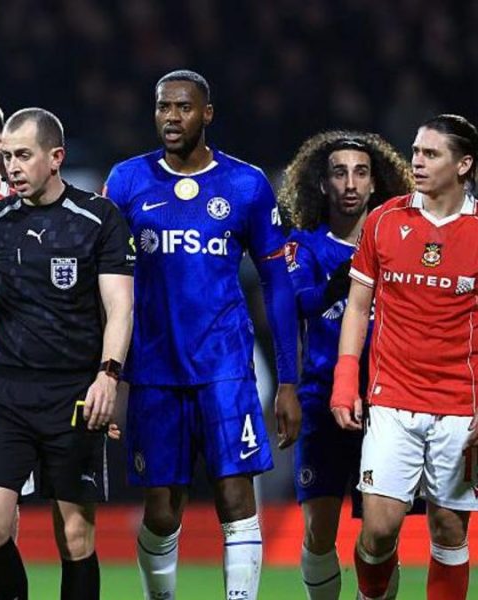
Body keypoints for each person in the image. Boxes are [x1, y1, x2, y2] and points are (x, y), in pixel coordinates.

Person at [103, 69, 300, 600]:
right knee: (162, 512)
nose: (172, 117)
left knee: (236, 498)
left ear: (207, 114)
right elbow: (106, 286)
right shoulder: (126, 182)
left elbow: (278, 287)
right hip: (154, 371)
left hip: (225, 369)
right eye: (164, 106)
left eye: (184, 107)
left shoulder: (245, 185)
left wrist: (287, 381)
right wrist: (107, 375)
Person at [0, 107, 135, 600]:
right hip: (6, 392)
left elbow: (120, 306)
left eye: (23, 155)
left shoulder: (98, 218)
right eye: (5, 157)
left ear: (56, 157)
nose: (12, 167)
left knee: (74, 535)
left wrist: (108, 376)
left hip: (74, 394)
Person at [332, 114, 478, 600]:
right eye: (416, 150)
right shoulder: (384, 221)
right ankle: (372, 593)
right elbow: (356, 308)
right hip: (392, 400)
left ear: (464, 165)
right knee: (378, 531)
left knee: (449, 532)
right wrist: (345, 379)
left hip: (461, 405)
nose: (417, 160)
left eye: (431, 153)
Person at [277, 131, 414, 600]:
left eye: (360, 172)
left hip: (387, 403)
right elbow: (303, 303)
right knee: (318, 530)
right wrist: (352, 273)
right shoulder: (305, 247)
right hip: (321, 400)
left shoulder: (401, 244)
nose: (350, 183)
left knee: (381, 534)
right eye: (339, 173)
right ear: (322, 184)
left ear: (376, 183)